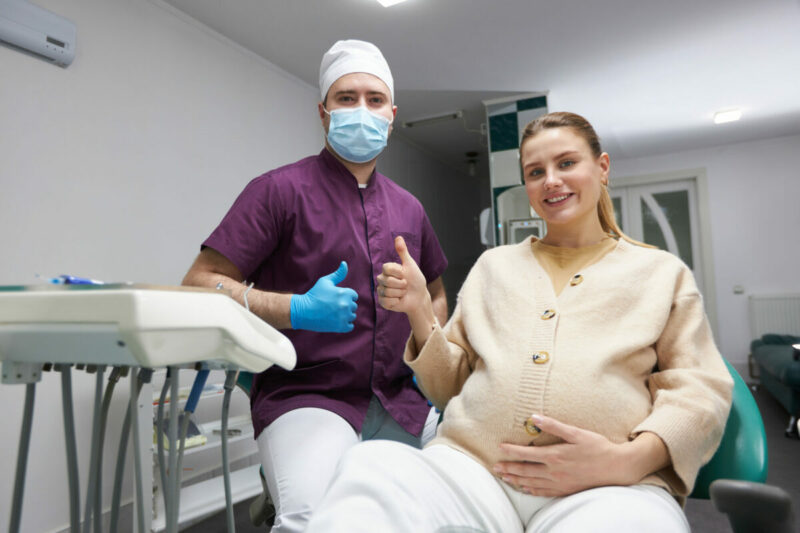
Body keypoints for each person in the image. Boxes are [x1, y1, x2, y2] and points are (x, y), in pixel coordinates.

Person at [305, 111, 734, 532]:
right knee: (368, 468)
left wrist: (626, 461)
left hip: (606, 486)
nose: (550, 180)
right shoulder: (494, 267)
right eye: (535, 171)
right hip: (471, 471)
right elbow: (449, 388)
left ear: (602, 168)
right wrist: (420, 310)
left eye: (566, 163)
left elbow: (701, 391)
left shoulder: (661, 274)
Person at [181, 39, 448, 532]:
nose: (361, 110)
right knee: (313, 519)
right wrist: (295, 309)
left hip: (402, 400)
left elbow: (434, 292)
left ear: (392, 113)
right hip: (308, 394)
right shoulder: (277, 191)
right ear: (323, 112)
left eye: (373, 99)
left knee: (437, 512)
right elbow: (200, 284)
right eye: (346, 98)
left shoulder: (410, 207)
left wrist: (421, 316)